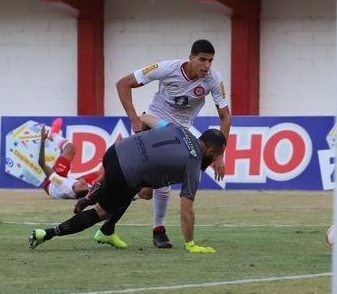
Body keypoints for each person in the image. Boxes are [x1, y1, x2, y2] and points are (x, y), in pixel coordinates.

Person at [29, 126, 226, 253]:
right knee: (102, 211)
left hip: (115, 151)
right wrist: (190, 244)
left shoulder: (179, 128)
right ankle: (48, 233)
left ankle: (105, 225)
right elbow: (186, 208)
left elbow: (147, 119)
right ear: (210, 151)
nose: (216, 161)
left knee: (138, 190)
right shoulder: (193, 163)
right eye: (218, 156)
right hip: (126, 173)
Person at [115, 38, 232, 249]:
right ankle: (158, 229)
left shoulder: (214, 79)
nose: (207, 65)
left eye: (211, 61)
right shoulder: (167, 68)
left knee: (146, 191)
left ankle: (121, 195)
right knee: (164, 179)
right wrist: (134, 118)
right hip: (155, 123)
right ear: (191, 58)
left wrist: (220, 155)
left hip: (181, 133)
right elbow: (123, 83)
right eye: (202, 59)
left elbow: (225, 117)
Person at [35, 117, 101, 201]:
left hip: (51, 184)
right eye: (85, 185)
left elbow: (42, 164)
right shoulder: (85, 188)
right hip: (69, 185)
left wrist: (42, 141)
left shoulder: (64, 185)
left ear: (75, 190)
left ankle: (53, 135)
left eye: (81, 185)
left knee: (70, 148)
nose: (83, 182)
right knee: (100, 173)